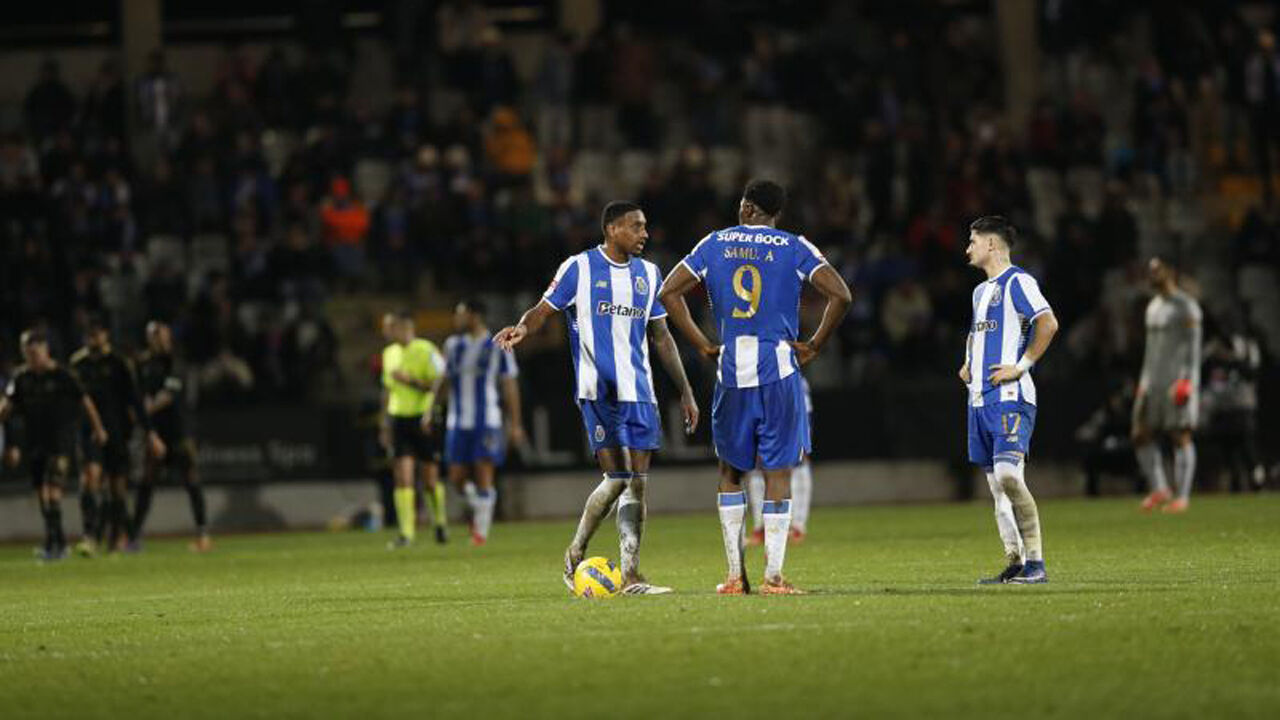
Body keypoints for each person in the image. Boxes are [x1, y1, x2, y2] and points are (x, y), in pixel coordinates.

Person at [658, 179, 852, 595]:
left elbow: (669, 292)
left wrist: (702, 344)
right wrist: (815, 344)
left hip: (731, 368)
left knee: (731, 470)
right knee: (777, 470)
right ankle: (774, 578)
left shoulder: (715, 243)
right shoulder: (794, 246)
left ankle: (733, 576)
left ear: (747, 208)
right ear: (775, 213)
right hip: (779, 367)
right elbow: (841, 294)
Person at [495, 201, 698, 595]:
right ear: (611, 229)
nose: (644, 234)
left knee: (638, 483)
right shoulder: (579, 268)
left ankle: (632, 574)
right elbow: (543, 309)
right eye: (636, 227)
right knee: (618, 478)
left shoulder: (650, 274)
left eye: (645, 226)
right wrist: (523, 328)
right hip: (597, 390)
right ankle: (576, 552)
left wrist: (686, 390)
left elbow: (661, 336)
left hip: (640, 392)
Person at [959, 216, 1059, 585]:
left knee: (1008, 475)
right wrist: (968, 363)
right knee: (996, 486)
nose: (967, 248)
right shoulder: (980, 291)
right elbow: (975, 333)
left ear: (991, 245)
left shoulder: (1019, 281)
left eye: (972, 241)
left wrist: (1021, 366)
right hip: (979, 399)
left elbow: (1047, 323)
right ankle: (1015, 561)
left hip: (1010, 396)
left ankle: (1037, 562)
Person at [0, 330, 110, 561]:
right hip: (35, 443)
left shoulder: (62, 375)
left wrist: (98, 429)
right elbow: (7, 408)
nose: (32, 358)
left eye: (35, 353)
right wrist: (10, 442)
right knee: (42, 495)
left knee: (52, 492)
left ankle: (58, 546)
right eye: (27, 354)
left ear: (45, 350)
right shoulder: (21, 378)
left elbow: (85, 401)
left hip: (60, 442)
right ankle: (54, 542)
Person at [432, 299, 524, 546]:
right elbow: (444, 378)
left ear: (475, 316)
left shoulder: (498, 345)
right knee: (456, 477)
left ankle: (480, 534)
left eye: (460, 315)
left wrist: (515, 423)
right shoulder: (453, 345)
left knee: (484, 474)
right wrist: (431, 408)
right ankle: (482, 506)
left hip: (488, 420)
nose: (457, 320)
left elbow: (509, 385)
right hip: (457, 421)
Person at [70, 316, 165, 555]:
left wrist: (150, 433)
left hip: (118, 431)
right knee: (90, 477)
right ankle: (90, 535)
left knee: (117, 490)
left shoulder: (119, 363)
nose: (93, 337)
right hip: (88, 432)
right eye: (90, 333)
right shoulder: (77, 364)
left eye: (98, 333)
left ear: (106, 335)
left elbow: (135, 400)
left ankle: (115, 539)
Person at [131, 321, 212, 552]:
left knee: (191, 480)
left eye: (162, 335)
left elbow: (169, 395)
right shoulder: (143, 363)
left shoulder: (176, 360)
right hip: (156, 433)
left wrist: (143, 411)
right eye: (153, 336)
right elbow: (139, 392)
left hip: (179, 431)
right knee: (146, 482)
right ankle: (134, 536)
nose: (158, 340)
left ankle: (203, 534)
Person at [1133, 258, 1203, 513]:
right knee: (1140, 433)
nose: (1152, 275)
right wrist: (1144, 382)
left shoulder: (1187, 307)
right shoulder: (1153, 307)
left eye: (1157, 270)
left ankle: (1182, 497)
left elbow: (1194, 350)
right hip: (1153, 382)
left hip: (1177, 382)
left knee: (1180, 434)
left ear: (1170, 272)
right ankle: (1160, 488)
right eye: (1150, 270)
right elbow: (1151, 352)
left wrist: (1188, 381)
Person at [380, 311, 447, 547]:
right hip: (399, 419)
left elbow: (440, 384)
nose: (386, 333)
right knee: (403, 478)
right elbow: (387, 390)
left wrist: (411, 381)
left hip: (423, 419)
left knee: (429, 480)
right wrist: (384, 422)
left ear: (404, 328)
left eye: (390, 328)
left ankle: (439, 523)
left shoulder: (426, 349)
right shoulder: (388, 354)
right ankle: (406, 534)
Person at [746, 374, 814, 545]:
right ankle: (760, 528)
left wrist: (803, 436)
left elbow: (804, 412)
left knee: (798, 462)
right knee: (756, 466)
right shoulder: (753, 376)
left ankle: (797, 526)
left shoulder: (794, 378)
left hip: (789, 424)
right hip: (764, 424)